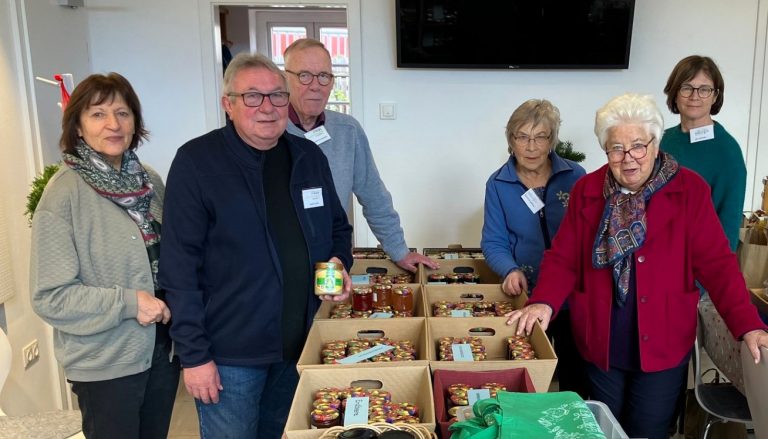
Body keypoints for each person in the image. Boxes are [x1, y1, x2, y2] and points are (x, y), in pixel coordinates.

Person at [506, 93, 768, 439]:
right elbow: (564, 256)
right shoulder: (587, 190)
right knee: (601, 428)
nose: (628, 158)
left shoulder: (690, 190)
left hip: (664, 339)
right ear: (606, 150)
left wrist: (748, 324)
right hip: (601, 340)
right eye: (616, 148)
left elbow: (718, 266)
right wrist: (544, 300)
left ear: (655, 144)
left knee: (648, 430)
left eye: (638, 146)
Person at [158, 53, 353, 439]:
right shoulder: (197, 162)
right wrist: (194, 356)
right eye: (252, 97)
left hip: (298, 346)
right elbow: (178, 267)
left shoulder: (308, 157)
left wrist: (338, 261)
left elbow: (337, 228)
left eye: (277, 96)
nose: (267, 108)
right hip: (232, 356)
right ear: (227, 103)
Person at [30, 72, 179, 438]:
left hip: (162, 351)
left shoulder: (150, 182)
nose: (113, 124)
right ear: (77, 126)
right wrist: (130, 303)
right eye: (97, 114)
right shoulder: (63, 195)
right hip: (106, 363)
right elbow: (50, 297)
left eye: (122, 113)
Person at [283, 38, 437, 273]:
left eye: (324, 76)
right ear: (286, 79)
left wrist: (399, 251)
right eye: (304, 75)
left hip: (332, 257)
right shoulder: (269, 130)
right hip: (280, 260)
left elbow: (373, 193)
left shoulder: (347, 130)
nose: (315, 85)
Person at [481, 99, 588, 397]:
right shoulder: (498, 184)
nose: (530, 146)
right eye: (522, 136)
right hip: (525, 298)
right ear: (511, 140)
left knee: (576, 378)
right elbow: (493, 241)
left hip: (572, 296)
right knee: (524, 375)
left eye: (540, 137)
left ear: (551, 140)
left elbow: (590, 235)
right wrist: (509, 269)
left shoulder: (576, 177)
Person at [661, 55, 746, 252]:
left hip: (697, 267)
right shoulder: (661, 140)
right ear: (675, 93)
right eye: (686, 87)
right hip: (656, 257)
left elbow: (729, 226)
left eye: (704, 89)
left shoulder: (728, 152)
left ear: (715, 96)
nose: (695, 96)